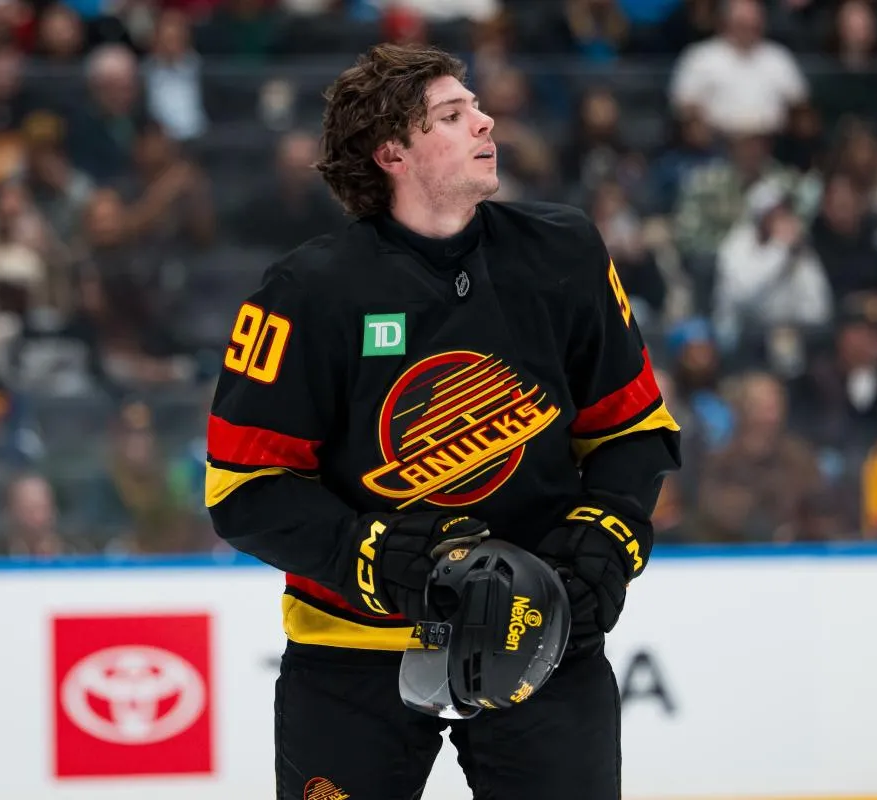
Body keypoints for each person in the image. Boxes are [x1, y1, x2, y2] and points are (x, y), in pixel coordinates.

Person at [205, 43, 682, 800]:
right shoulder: (306, 293)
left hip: (543, 634)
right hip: (354, 653)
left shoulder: (563, 253)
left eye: (478, 107)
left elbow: (632, 431)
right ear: (393, 151)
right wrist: (374, 552)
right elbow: (245, 491)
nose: (486, 121)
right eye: (454, 115)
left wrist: (606, 535)